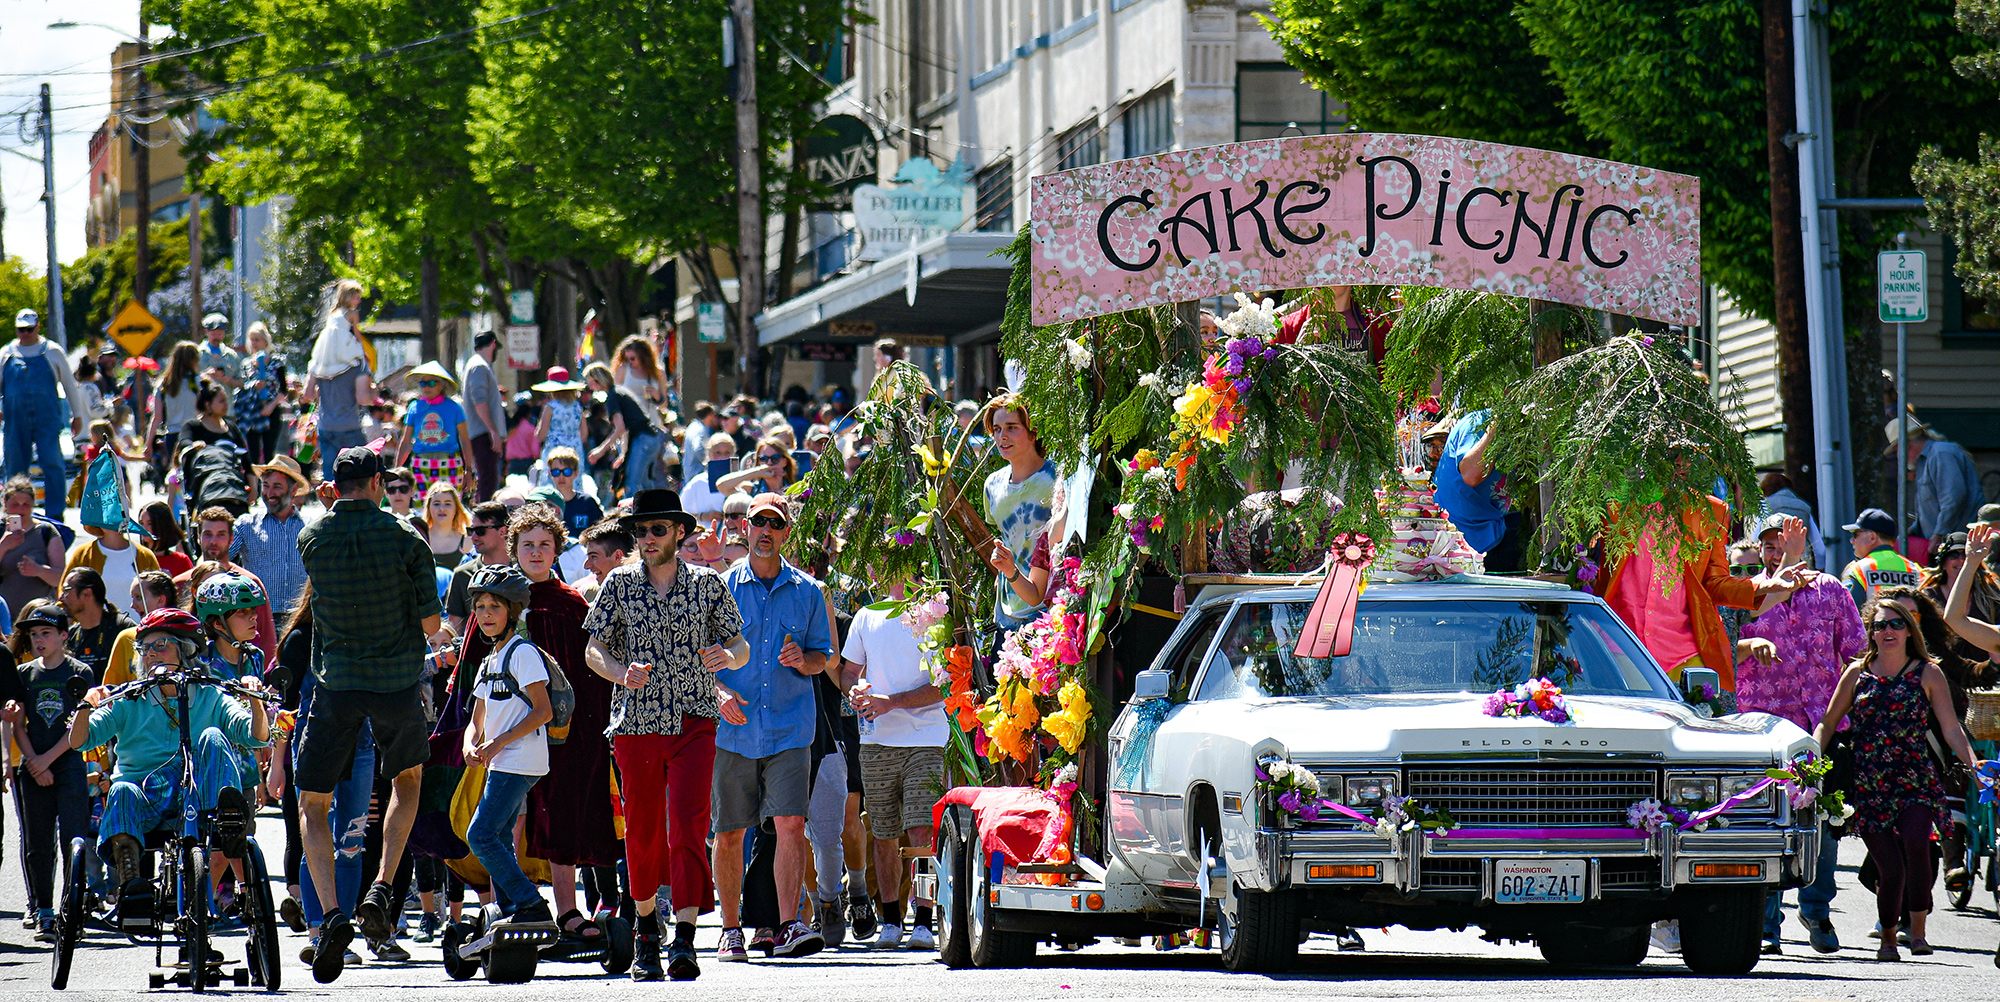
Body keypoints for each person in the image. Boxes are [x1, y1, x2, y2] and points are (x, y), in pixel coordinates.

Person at [582, 487, 749, 982]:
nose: (647, 538)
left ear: (680, 532)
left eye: (657, 530)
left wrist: (730, 658)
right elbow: (594, 649)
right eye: (640, 531)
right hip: (636, 723)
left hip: (696, 719)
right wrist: (619, 672)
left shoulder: (707, 584)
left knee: (690, 828)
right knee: (645, 832)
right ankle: (646, 933)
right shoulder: (619, 585)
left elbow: (738, 643)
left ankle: (686, 935)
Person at [294, 446, 444, 982]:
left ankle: (332, 914)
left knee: (313, 804)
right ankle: (382, 888)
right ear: (379, 481)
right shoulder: (406, 537)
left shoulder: (311, 538)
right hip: (395, 683)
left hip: (336, 686)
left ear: (334, 486)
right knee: (407, 780)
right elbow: (431, 626)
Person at [461, 505, 620, 939]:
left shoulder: (570, 604)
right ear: (513, 548)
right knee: (505, 818)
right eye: (527, 544)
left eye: (544, 545)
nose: (536, 552)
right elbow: (472, 671)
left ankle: (567, 912)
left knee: (560, 818)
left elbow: (588, 675)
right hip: (503, 737)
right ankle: (511, 906)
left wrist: (589, 732)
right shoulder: (495, 600)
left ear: (557, 551)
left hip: (561, 736)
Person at [1815, 593, 1984, 961]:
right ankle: (1888, 939)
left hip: (1916, 778)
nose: (1888, 630)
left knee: (1917, 847)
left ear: (1909, 631)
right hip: (1870, 782)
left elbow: (1951, 728)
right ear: (1871, 633)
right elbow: (1828, 723)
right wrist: (1809, 765)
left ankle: (1918, 933)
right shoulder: (1857, 673)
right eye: (1880, 625)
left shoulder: (1928, 672)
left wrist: (1974, 765)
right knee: (1888, 867)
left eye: (1897, 623)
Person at [70, 608, 269, 913]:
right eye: (144, 648)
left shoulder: (209, 694)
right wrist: (85, 705)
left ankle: (227, 819)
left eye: (160, 645)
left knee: (214, 737)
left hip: (199, 798)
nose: (150, 654)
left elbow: (255, 737)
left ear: (186, 649)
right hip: (146, 801)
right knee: (121, 791)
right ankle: (132, 885)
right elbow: (80, 741)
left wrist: (255, 700)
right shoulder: (128, 698)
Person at [1732, 514, 1862, 954]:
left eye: (1784, 544)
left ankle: (1817, 910)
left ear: (1805, 545)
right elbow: (1719, 648)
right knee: (1767, 825)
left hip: (1822, 728)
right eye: (1768, 545)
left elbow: (1856, 653)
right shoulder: (1745, 595)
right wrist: (1749, 646)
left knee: (1824, 824)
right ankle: (1765, 923)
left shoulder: (1831, 591)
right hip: (1763, 730)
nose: (1774, 552)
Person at [713, 493, 835, 962]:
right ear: (744, 527)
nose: (766, 531)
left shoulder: (808, 591)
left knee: (790, 823)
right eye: (758, 522)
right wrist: (720, 695)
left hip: (789, 727)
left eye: (775, 524)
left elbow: (824, 656)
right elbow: (700, 659)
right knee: (728, 832)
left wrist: (804, 660)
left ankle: (788, 925)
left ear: (787, 532)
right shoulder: (720, 589)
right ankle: (729, 930)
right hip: (734, 728)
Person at [842, 571, 945, 951]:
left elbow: (942, 685)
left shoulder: (933, 614)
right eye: (878, 560)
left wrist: (892, 702)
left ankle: (923, 921)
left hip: (926, 739)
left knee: (920, 833)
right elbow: (848, 671)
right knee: (883, 834)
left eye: (890, 556)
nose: (882, 566)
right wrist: (854, 690)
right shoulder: (866, 616)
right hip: (876, 741)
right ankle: (890, 920)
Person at [460, 564, 557, 926]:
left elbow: (543, 711)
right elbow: (476, 720)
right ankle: (513, 911)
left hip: (521, 759)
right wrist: (472, 744)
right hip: (500, 762)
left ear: (512, 612)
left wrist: (498, 742)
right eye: (481, 606)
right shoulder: (490, 661)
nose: (486, 614)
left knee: (480, 835)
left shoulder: (523, 653)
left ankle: (529, 904)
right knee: (498, 837)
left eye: (495, 607)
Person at [1, 601, 96, 941]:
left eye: (46, 633)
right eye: (34, 635)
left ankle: (73, 909)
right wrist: (32, 760)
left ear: (63, 635)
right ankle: (43, 909)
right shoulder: (25, 673)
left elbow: (80, 727)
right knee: (37, 842)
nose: (39, 640)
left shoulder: (80, 673)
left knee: (75, 838)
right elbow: (18, 724)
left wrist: (49, 759)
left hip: (68, 763)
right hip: (33, 765)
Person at [1, 309, 86, 519]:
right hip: (15, 420)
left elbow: (69, 385)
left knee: (53, 465)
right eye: (21, 330)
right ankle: (15, 515)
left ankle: (55, 517)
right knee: (15, 467)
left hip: (47, 420)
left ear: (38, 327)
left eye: (29, 329)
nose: (25, 334)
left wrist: (78, 414)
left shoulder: (52, 351)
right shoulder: (6, 353)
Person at [982, 395, 1058, 631]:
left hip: (1049, 616)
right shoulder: (992, 486)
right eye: (997, 429)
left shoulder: (1056, 478)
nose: (1002, 436)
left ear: (1032, 432)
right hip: (1006, 617)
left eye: (1012, 428)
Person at [176, 507, 278, 664]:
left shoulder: (249, 584)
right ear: (198, 537)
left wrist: (259, 677)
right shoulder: (180, 584)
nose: (213, 541)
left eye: (221, 535)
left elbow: (266, 639)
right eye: (208, 534)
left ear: (231, 539)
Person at [1432, 409, 1522, 571]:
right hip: (1457, 543)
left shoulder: (1521, 435)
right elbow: (1471, 475)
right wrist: (1496, 425)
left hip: (1489, 534)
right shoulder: (1479, 422)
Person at [304, 280, 375, 482]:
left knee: (330, 474)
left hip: (326, 425)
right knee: (360, 474)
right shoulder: (356, 364)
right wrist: (363, 354)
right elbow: (363, 399)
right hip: (349, 425)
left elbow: (307, 396)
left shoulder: (319, 363)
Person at [232, 456, 312, 619]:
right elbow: (220, 557)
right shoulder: (246, 525)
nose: (269, 493)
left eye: (277, 487)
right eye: (266, 486)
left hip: (300, 619)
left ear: (293, 490)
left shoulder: (310, 527)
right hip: (258, 619)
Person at [1891, 417, 1981, 553]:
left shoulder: (1941, 453)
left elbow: (1953, 498)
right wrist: (1915, 529)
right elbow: (1930, 507)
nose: (1898, 456)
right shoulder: (1924, 461)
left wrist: (1939, 533)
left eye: (1896, 450)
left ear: (1905, 447)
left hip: (1960, 544)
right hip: (1945, 543)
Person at [393, 360, 476, 497]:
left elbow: (465, 440)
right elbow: (406, 441)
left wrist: (468, 469)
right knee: (421, 506)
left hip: (449, 462)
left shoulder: (454, 407)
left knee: (450, 504)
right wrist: (397, 471)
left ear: (441, 385)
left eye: (431, 383)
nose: (426, 387)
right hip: (421, 463)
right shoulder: (414, 407)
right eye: (423, 383)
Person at [586, 363, 666, 497]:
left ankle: (632, 514)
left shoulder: (612, 397)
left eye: (591, 383)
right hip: (651, 437)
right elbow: (627, 427)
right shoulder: (619, 391)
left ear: (598, 381)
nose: (590, 387)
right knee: (645, 483)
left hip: (643, 439)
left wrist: (601, 450)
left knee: (631, 483)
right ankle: (654, 510)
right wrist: (624, 454)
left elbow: (620, 428)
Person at [1922, 532, 2000, 666]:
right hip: (1941, 675)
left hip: (1986, 677)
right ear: (1943, 563)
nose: (1961, 560)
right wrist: (1971, 561)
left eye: (1965, 554)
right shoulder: (1926, 597)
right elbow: (1953, 619)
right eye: (1954, 555)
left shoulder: (1991, 595)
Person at [445, 501, 515, 636]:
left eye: (481, 531)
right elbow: (455, 631)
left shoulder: (522, 571)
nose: (474, 537)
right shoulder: (463, 574)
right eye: (471, 531)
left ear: (503, 531)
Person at [101, 570, 180, 687]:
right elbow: (109, 690)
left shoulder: (187, 636)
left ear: (160, 600)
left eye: (139, 597)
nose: (132, 605)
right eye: (132, 598)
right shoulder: (126, 638)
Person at [0, 475, 66, 614]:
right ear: (5, 503)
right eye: (15, 504)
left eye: (26, 505)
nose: (21, 509)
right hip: (4, 620)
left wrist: (39, 570)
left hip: (39, 617)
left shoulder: (46, 531)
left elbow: (61, 579)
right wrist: (4, 546)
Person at [59, 568, 137, 680]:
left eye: (66, 590)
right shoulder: (70, 635)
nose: (61, 598)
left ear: (86, 594)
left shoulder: (121, 628)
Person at [461, 331, 508, 503]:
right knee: (487, 484)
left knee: (487, 482)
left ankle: (482, 518)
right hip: (483, 435)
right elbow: (479, 401)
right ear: (493, 344)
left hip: (483, 434)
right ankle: (483, 522)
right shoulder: (479, 366)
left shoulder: (477, 365)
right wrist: (493, 431)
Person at [1841, 508, 1920, 610]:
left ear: (1872, 538)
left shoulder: (1857, 570)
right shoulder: (1916, 570)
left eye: (1856, 534)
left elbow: (1846, 614)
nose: (1852, 540)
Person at [147, 343, 204, 486]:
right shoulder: (198, 382)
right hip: (195, 433)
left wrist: (148, 443)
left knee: (178, 474)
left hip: (172, 435)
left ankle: (178, 502)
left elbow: (157, 417)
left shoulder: (164, 384)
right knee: (197, 473)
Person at [233, 322, 287, 466]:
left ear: (265, 341)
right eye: (252, 340)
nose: (254, 343)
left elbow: (283, 389)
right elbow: (242, 387)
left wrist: (271, 405)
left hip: (271, 409)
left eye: (257, 339)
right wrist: (253, 386)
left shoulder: (276, 362)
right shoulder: (246, 364)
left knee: (269, 450)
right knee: (253, 452)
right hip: (252, 410)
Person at [1756, 472, 1828, 571]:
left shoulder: (1764, 506)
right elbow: (1819, 548)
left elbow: (1754, 539)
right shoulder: (1804, 507)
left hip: (1770, 567)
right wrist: (1820, 568)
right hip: (1800, 565)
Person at [543, 446, 604, 537]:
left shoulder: (587, 503)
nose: (561, 477)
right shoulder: (545, 504)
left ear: (576, 473)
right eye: (556, 472)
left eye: (567, 472)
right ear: (550, 474)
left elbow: (601, 533)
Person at [533, 367, 587, 467]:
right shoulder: (577, 407)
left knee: (554, 479)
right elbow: (584, 434)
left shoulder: (550, 407)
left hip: (554, 452)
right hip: (575, 451)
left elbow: (540, 435)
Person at [716, 436, 798, 497]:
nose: (769, 463)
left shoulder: (795, 491)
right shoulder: (751, 490)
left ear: (785, 462)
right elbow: (721, 485)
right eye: (763, 459)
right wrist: (757, 472)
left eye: (775, 458)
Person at [682, 435, 738, 521]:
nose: (722, 457)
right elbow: (681, 512)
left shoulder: (740, 481)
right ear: (709, 455)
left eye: (727, 453)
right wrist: (703, 516)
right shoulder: (698, 482)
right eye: (718, 453)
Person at [134, 501, 193, 579]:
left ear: (163, 525)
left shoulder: (181, 561)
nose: (144, 529)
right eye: (141, 523)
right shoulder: (134, 557)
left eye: (150, 523)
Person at [421, 481, 472, 571]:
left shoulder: (467, 541)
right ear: (429, 508)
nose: (442, 508)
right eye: (437, 504)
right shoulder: (420, 539)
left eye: (448, 504)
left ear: (456, 508)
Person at [575, 521, 631, 604]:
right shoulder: (587, 595)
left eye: (594, 557)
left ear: (617, 556)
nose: (586, 566)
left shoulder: (648, 595)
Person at [614, 336, 668, 410]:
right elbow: (614, 398)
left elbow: (664, 405)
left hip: (652, 418)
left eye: (632, 358)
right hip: (630, 417)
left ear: (643, 356)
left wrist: (657, 396)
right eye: (626, 359)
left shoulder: (659, 372)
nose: (629, 361)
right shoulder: (623, 369)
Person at [197, 313, 243, 395]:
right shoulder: (197, 354)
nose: (217, 337)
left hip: (226, 405)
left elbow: (242, 383)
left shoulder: (231, 356)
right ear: (206, 332)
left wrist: (228, 380)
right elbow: (187, 380)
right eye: (214, 334)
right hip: (203, 404)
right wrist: (206, 375)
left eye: (220, 334)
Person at [682, 402, 720, 486]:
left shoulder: (692, 426)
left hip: (689, 471)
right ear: (710, 415)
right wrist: (707, 462)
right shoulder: (701, 430)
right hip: (696, 472)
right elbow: (698, 448)